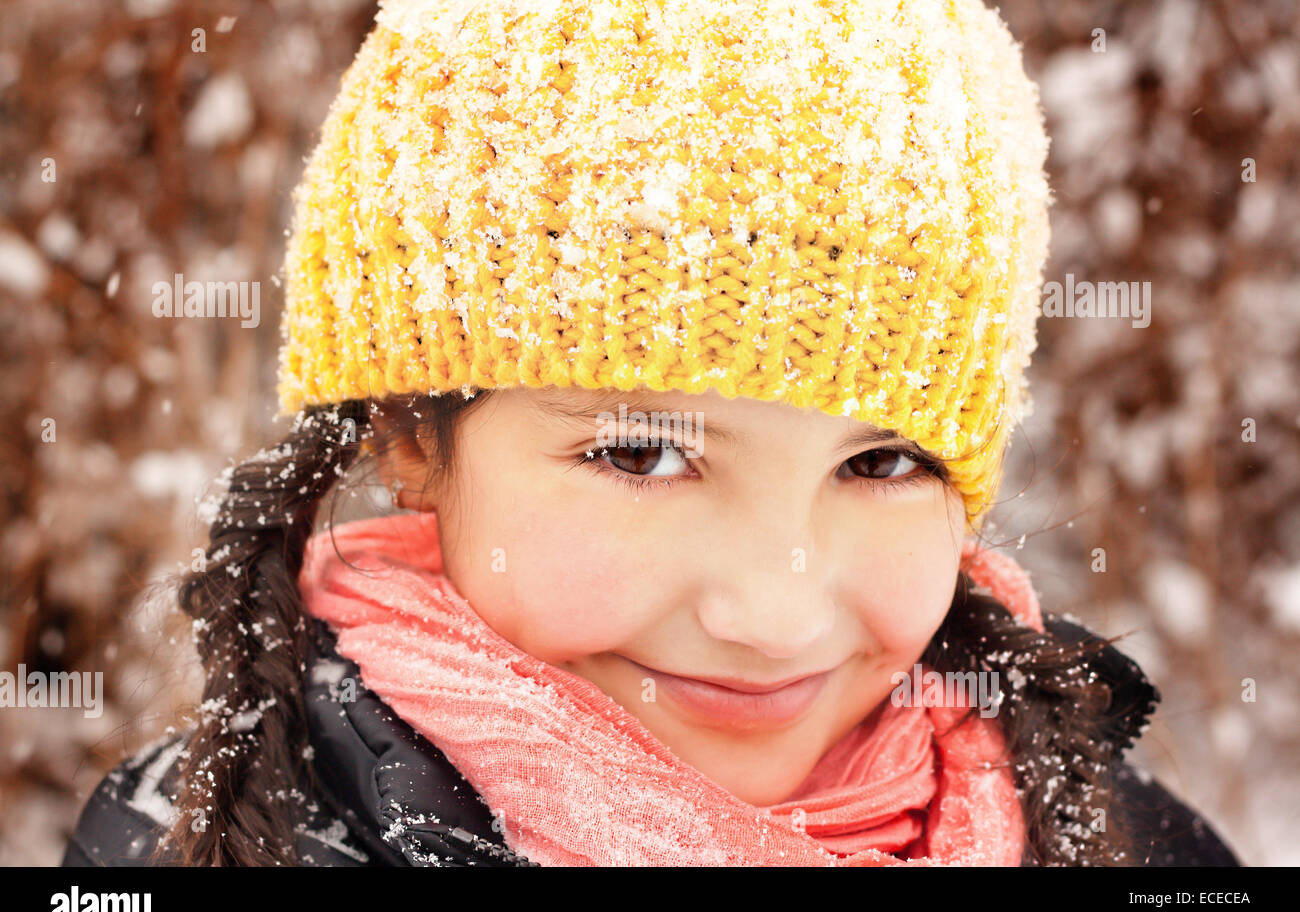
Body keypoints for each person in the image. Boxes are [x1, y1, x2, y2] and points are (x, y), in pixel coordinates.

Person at [64, 0, 1240, 867]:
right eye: (641, 453)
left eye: (880, 461)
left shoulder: (1133, 849)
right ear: (411, 436)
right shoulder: (194, 847)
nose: (773, 615)